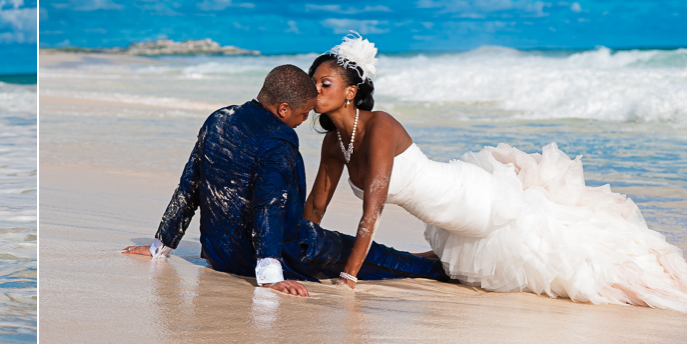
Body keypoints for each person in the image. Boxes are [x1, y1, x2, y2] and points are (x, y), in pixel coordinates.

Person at [307, 33, 687, 317]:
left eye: (325, 83)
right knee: (449, 269)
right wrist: (288, 245)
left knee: (563, 261)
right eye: (313, 84)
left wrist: (348, 278)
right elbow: (317, 204)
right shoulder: (334, 143)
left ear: (351, 92)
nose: (316, 91)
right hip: (445, 215)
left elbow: (373, 208)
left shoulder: (380, 124)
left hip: (471, 200)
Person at [124, 64, 449, 297]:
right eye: (303, 112)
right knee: (393, 262)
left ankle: (436, 254)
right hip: (288, 253)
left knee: (388, 255)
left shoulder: (219, 118)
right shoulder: (279, 139)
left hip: (220, 254)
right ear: (282, 108)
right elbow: (269, 206)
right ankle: (452, 268)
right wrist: (270, 275)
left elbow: (189, 184)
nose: (305, 119)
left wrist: (160, 246)